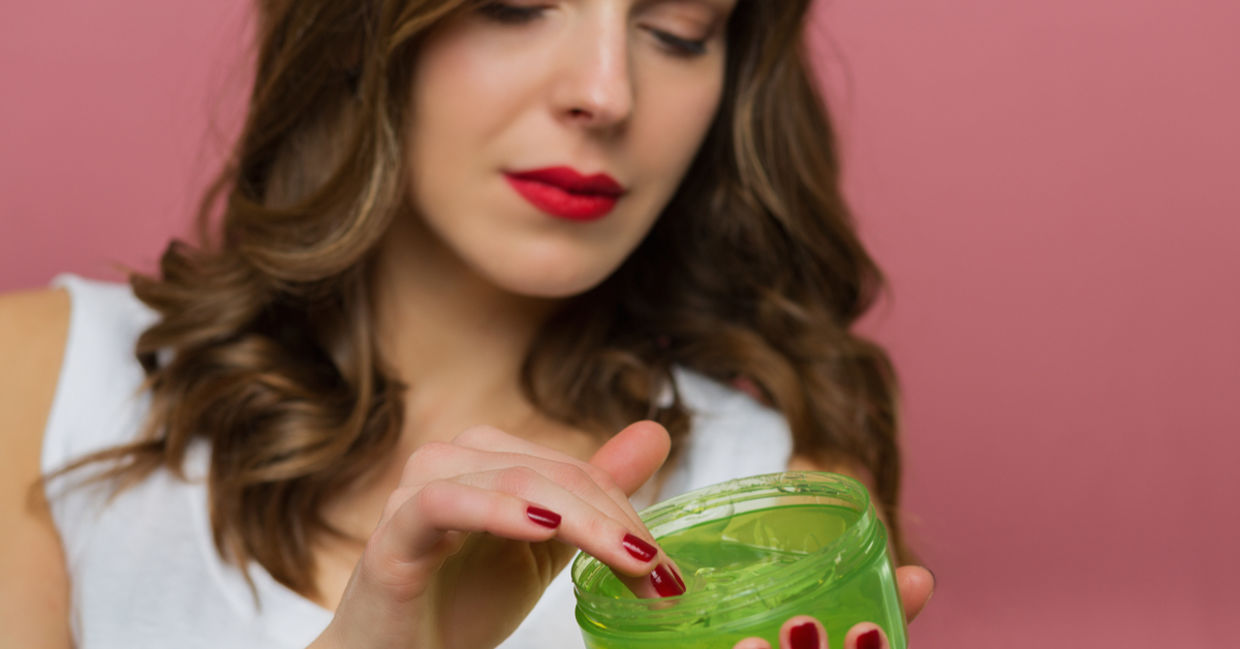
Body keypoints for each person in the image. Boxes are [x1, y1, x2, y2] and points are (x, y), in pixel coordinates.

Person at [1, 0, 935, 647]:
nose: (607, 92)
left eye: (677, 30)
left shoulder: (775, 487)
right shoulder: (42, 379)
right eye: (516, 4)